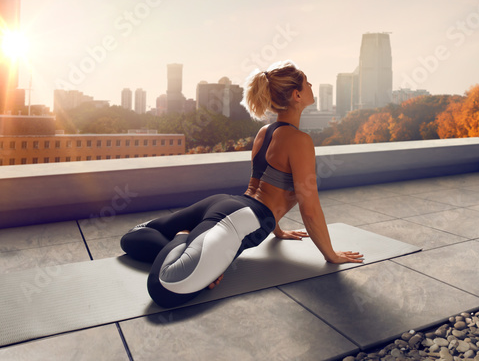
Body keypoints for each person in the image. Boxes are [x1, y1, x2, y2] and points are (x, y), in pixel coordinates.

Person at [119, 60, 363, 308]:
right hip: (238, 219)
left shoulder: (264, 132)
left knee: (133, 236)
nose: (311, 85)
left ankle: (192, 248)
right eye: (307, 82)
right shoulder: (300, 140)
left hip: (226, 203)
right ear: (297, 94)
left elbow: (264, 186)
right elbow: (308, 208)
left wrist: (277, 230)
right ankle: (186, 239)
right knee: (164, 288)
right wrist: (330, 255)